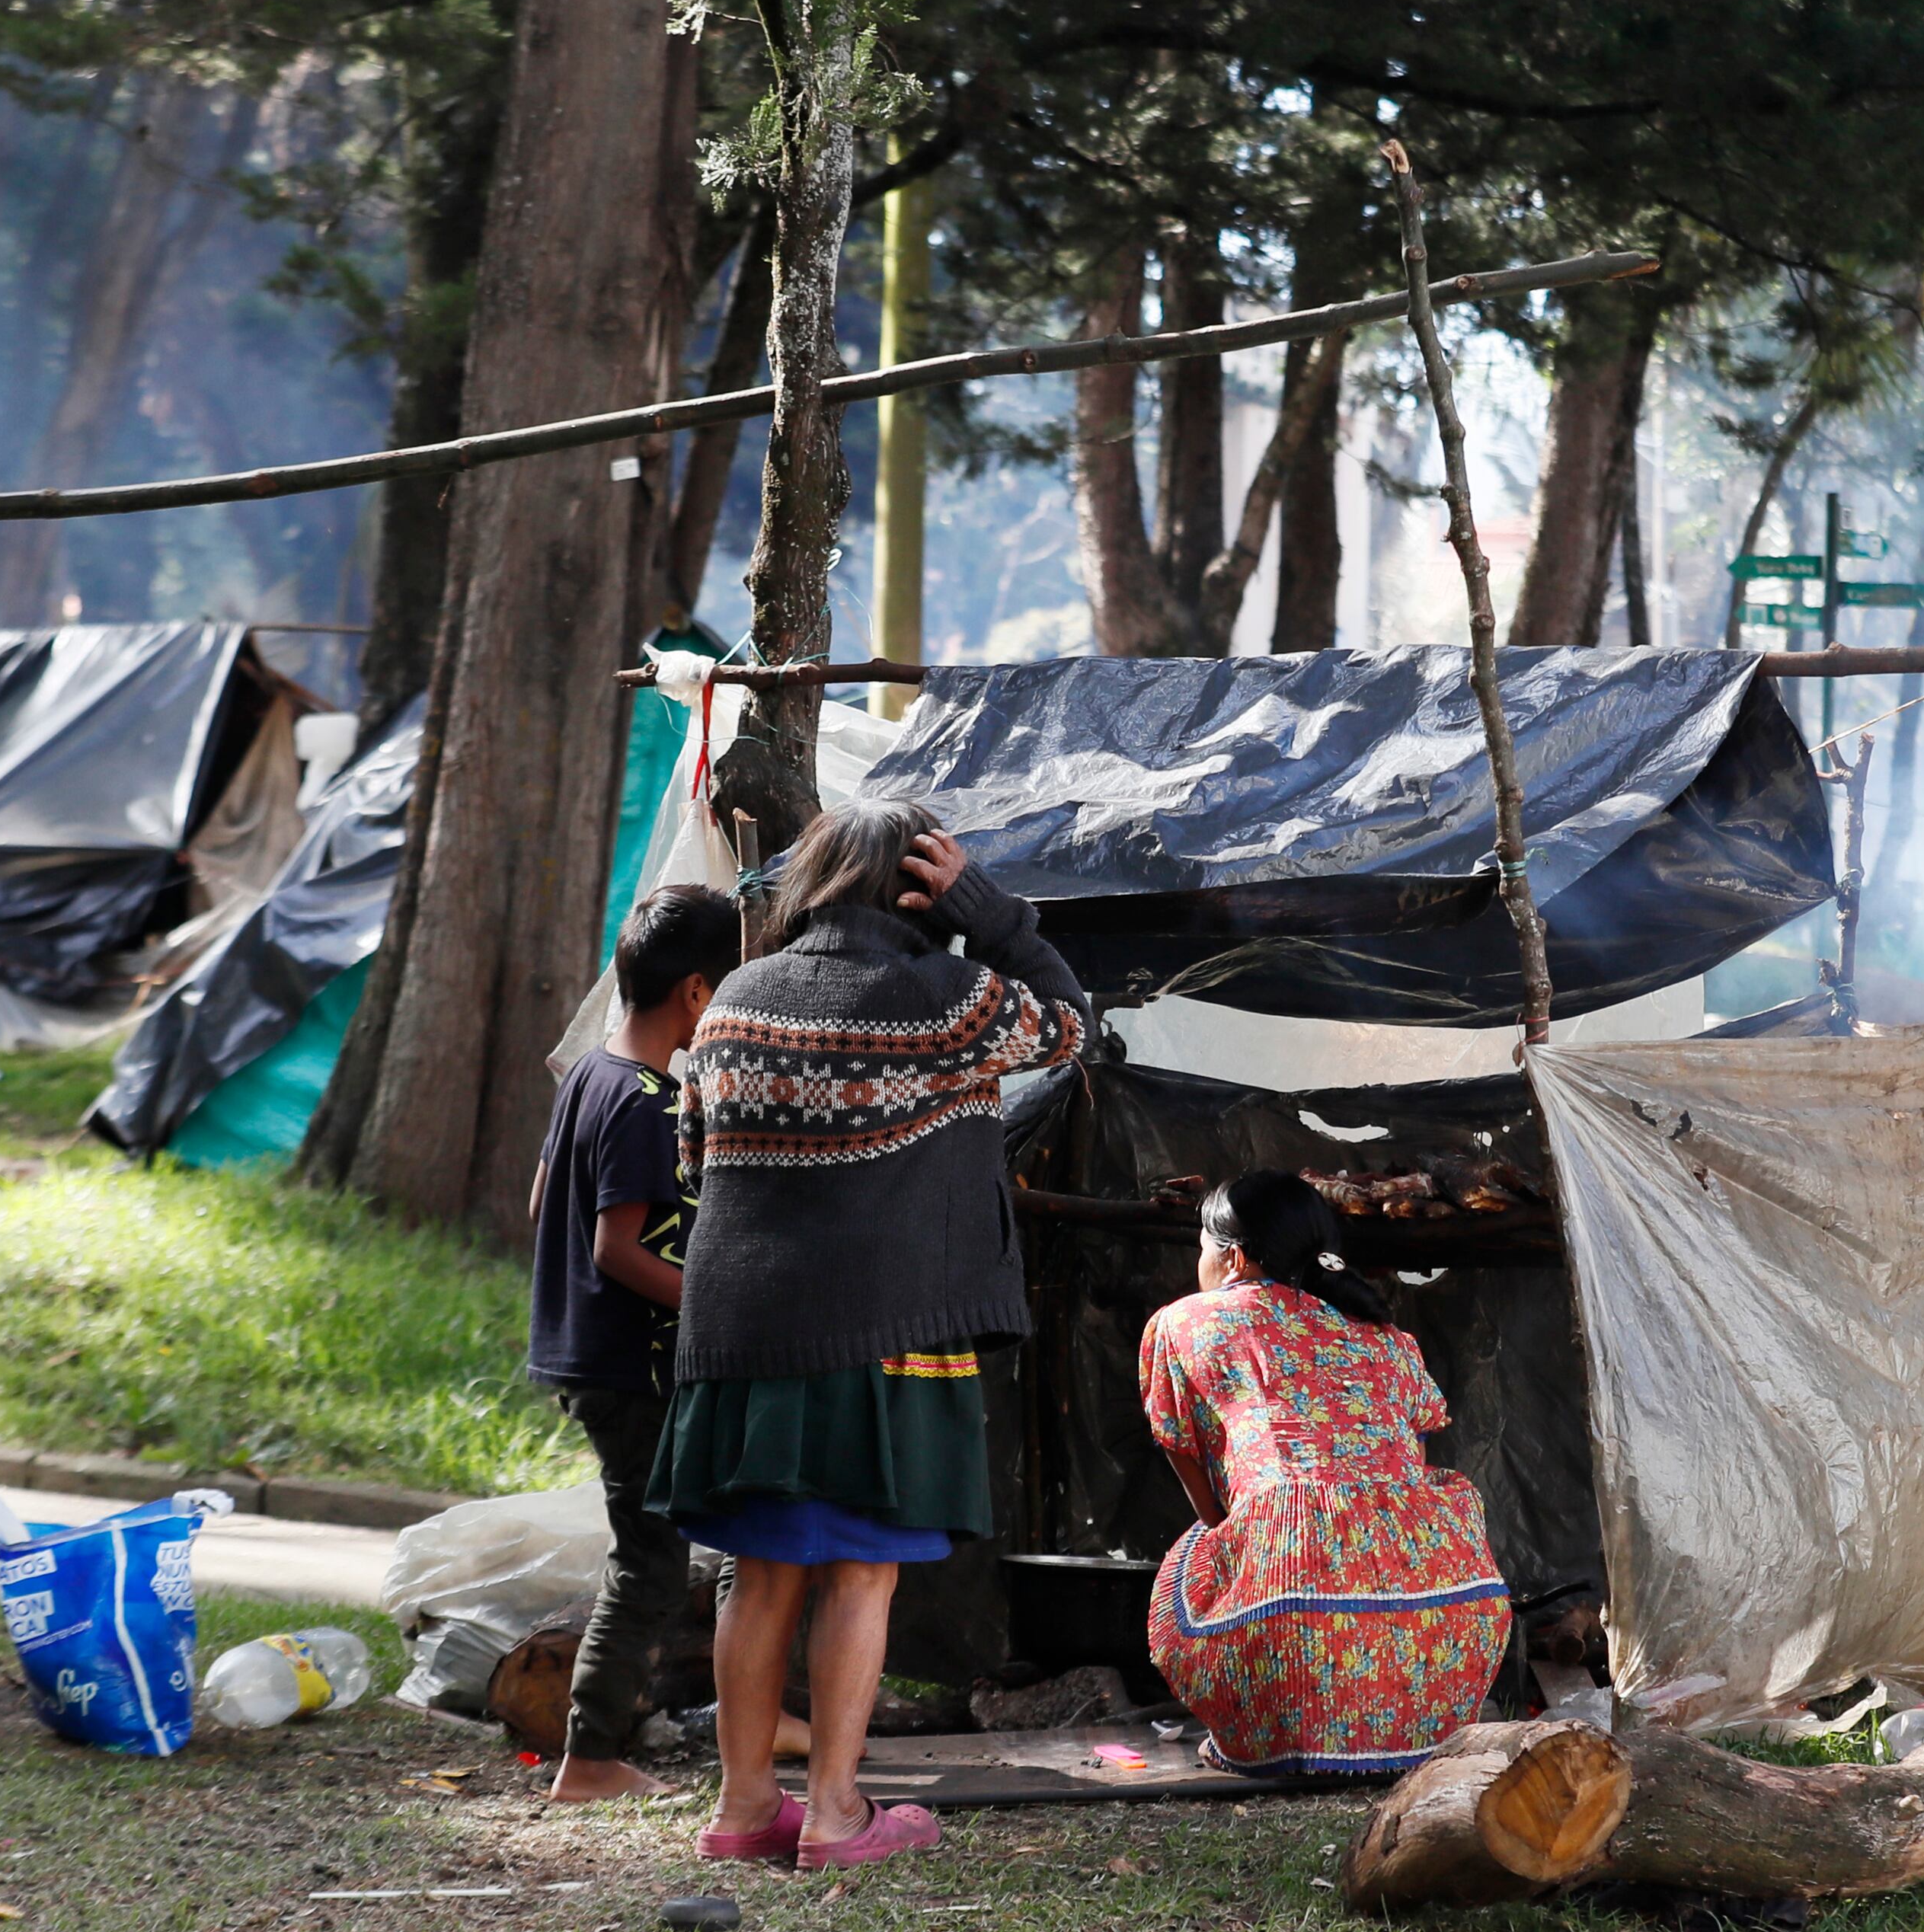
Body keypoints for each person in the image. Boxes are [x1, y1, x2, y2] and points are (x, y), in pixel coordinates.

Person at [655, 799, 1090, 1873]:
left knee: (754, 1574)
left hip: (740, 1330)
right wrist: (990, 913)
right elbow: (1077, 1028)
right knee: (859, 1573)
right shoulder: (951, 998)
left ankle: (745, 1805)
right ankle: (838, 1811)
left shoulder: (735, 1004)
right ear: (923, 887)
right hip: (887, 1331)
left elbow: (692, 1165)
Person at [1139, 1170, 1510, 1776]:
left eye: (1201, 1245)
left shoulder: (1187, 1322)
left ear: (1231, 1257)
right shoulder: (1386, 1337)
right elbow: (1407, 1451)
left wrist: (1231, 1541)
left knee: (1195, 1556)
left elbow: (1180, 1449)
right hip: (1455, 1621)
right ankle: (1401, 1734)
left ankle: (1267, 1737)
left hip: (1294, 1627)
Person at [523, 884, 737, 1806]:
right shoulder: (650, 1102)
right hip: (631, 1367)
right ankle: (592, 1756)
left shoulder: (588, 1078)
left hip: (583, 1353)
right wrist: (711, 1312)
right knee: (648, 1564)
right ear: (696, 992)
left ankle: (727, 1721)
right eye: (728, 989)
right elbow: (618, 1248)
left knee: (664, 1544)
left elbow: (543, 1206)